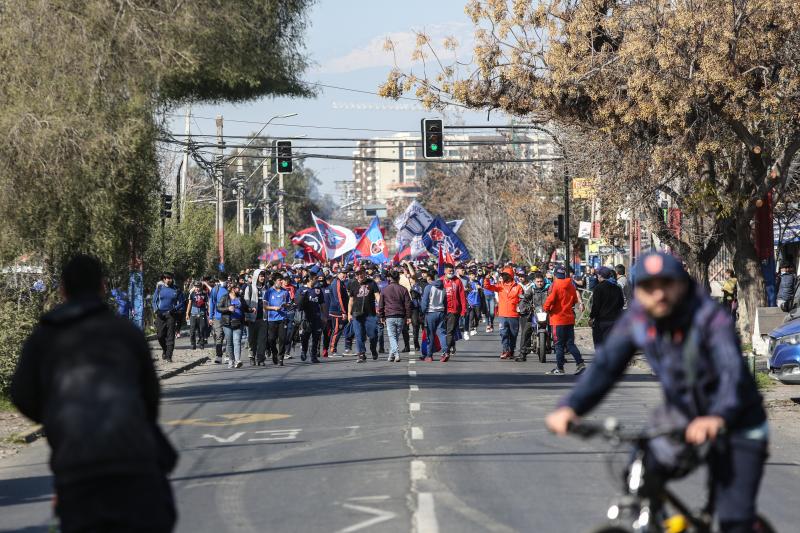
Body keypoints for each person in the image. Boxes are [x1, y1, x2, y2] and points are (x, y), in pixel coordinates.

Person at [546, 252, 768, 533]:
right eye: (649, 287)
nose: (659, 294)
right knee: (639, 476)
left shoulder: (709, 318)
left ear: (682, 285)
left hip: (738, 420)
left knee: (735, 518)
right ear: (638, 291)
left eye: (667, 284)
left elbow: (731, 372)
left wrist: (717, 416)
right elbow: (605, 366)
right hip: (681, 416)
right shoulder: (639, 319)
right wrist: (571, 407)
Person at [11, 254, 177, 533]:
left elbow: (22, 394)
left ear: (63, 289)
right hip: (133, 461)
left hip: (77, 468)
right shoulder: (125, 332)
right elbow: (150, 396)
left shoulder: (45, 336)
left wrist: (58, 417)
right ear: (102, 287)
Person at [543, 266, 586, 375]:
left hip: (558, 319)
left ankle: (560, 368)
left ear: (555, 275)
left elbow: (550, 300)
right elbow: (575, 300)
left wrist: (546, 309)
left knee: (558, 344)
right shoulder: (571, 285)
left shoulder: (555, 285)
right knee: (570, 343)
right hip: (569, 318)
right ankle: (580, 364)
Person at [484, 266, 523, 360]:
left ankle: (511, 350)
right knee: (503, 333)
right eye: (502, 275)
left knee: (513, 334)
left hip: (514, 315)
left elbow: (522, 300)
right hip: (502, 315)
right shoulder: (500, 286)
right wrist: (486, 278)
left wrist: (521, 308)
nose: (503, 276)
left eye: (505, 275)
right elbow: (487, 286)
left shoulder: (518, 287)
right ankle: (505, 350)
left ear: (510, 276)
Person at [348, 268, 381, 363]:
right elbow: (350, 300)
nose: (359, 276)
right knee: (358, 335)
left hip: (370, 314)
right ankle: (361, 354)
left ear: (364, 273)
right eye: (357, 274)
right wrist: (349, 313)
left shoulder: (372, 283)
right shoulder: (353, 284)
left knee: (373, 335)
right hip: (356, 315)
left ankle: (373, 349)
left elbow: (377, 296)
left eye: (361, 273)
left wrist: (381, 308)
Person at [379, 270, 413, 362]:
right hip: (401, 316)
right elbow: (408, 304)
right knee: (395, 337)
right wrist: (409, 317)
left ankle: (396, 354)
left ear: (390, 278)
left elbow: (381, 304)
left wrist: (381, 316)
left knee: (392, 337)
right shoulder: (403, 289)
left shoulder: (384, 290)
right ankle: (391, 355)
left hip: (389, 315)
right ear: (398, 278)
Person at [589, 266, 624, 350]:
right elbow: (621, 303)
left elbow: (596, 306)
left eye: (598, 275)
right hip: (614, 321)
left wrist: (591, 317)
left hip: (601, 322)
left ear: (601, 276)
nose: (597, 276)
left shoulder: (598, 288)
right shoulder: (617, 288)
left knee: (600, 346)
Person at [420, 268, 448, 362]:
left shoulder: (428, 287)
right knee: (442, 334)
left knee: (430, 335)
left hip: (430, 313)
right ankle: (445, 352)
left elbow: (424, 302)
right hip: (441, 312)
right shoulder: (443, 287)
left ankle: (429, 355)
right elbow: (445, 301)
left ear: (429, 277)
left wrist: (423, 312)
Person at [441, 262, 467, 358]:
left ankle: (446, 351)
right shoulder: (440, 281)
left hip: (454, 311)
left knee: (450, 331)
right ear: (445, 271)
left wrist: (463, 310)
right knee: (444, 331)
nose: (451, 272)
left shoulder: (457, 281)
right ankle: (451, 345)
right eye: (449, 271)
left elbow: (462, 297)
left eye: (452, 271)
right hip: (442, 311)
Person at [152, 272, 180, 362]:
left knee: (170, 335)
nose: (169, 279)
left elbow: (182, 302)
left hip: (171, 315)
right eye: (167, 278)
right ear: (164, 279)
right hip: (160, 314)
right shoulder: (159, 288)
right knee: (160, 335)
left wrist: (174, 309)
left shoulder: (176, 289)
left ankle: (169, 356)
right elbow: (154, 301)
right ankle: (165, 349)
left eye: (171, 278)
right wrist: (156, 310)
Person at [295, 275, 324, 363]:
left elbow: (322, 303)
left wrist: (324, 316)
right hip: (305, 318)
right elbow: (297, 304)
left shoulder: (318, 290)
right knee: (305, 337)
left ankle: (313, 356)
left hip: (316, 317)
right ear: (310, 280)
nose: (316, 281)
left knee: (316, 337)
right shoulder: (301, 290)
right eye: (315, 279)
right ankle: (304, 350)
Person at [243, 269, 268, 366]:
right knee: (252, 339)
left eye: (263, 276)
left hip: (263, 318)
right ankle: (251, 356)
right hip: (252, 318)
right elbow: (246, 303)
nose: (262, 278)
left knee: (262, 339)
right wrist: (246, 316)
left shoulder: (266, 288)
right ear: (256, 277)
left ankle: (260, 358)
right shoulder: (249, 288)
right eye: (260, 276)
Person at [218, 282, 246, 369]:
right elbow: (218, 308)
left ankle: (238, 360)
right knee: (229, 343)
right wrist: (228, 308)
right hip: (227, 323)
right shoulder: (225, 297)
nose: (239, 289)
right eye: (238, 288)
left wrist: (251, 309)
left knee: (237, 341)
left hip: (238, 323)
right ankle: (231, 360)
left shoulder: (240, 298)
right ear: (233, 289)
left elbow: (245, 307)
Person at [265, 274, 290, 366]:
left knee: (282, 339)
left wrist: (286, 305)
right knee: (271, 339)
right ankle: (274, 353)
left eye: (281, 280)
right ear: (275, 281)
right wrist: (274, 308)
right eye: (279, 280)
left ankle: (281, 357)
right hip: (272, 319)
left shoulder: (285, 292)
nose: (281, 282)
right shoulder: (269, 292)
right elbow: (265, 306)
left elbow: (288, 304)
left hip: (283, 318)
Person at [326, 267, 350, 356]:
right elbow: (339, 299)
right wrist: (343, 312)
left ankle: (346, 348)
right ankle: (333, 350)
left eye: (346, 273)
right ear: (338, 274)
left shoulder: (341, 282)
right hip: (337, 312)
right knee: (337, 330)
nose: (345, 275)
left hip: (340, 311)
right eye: (343, 273)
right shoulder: (337, 283)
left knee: (340, 330)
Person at [209, 276, 228, 365]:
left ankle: (228, 355)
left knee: (228, 336)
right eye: (221, 280)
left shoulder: (230, 288)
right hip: (217, 317)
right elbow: (212, 303)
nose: (223, 282)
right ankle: (219, 356)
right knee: (219, 336)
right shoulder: (215, 290)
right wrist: (210, 317)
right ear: (219, 280)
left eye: (224, 280)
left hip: (228, 317)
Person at [185, 280, 209, 351]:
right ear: (194, 287)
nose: (197, 288)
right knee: (192, 330)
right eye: (196, 287)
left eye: (198, 287)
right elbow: (189, 304)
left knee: (201, 329)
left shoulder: (204, 294)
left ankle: (201, 343)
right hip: (193, 314)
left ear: (201, 287)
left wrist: (209, 314)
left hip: (202, 313)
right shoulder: (192, 294)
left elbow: (207, 304)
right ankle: (193, 344)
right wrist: (187, 313)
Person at [465, 270, 483, 337]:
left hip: (477, 302)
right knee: (471, 316)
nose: (473, 276)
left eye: (474, 275)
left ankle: (475, 326)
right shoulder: (468, 283)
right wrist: (465, 289)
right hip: (471, 302)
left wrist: (480, 288)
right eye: (472, 275)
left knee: (477, 316)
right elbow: (465, 291)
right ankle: (471, 329)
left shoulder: (477, 282)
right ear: (469, 276)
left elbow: (481, 290)